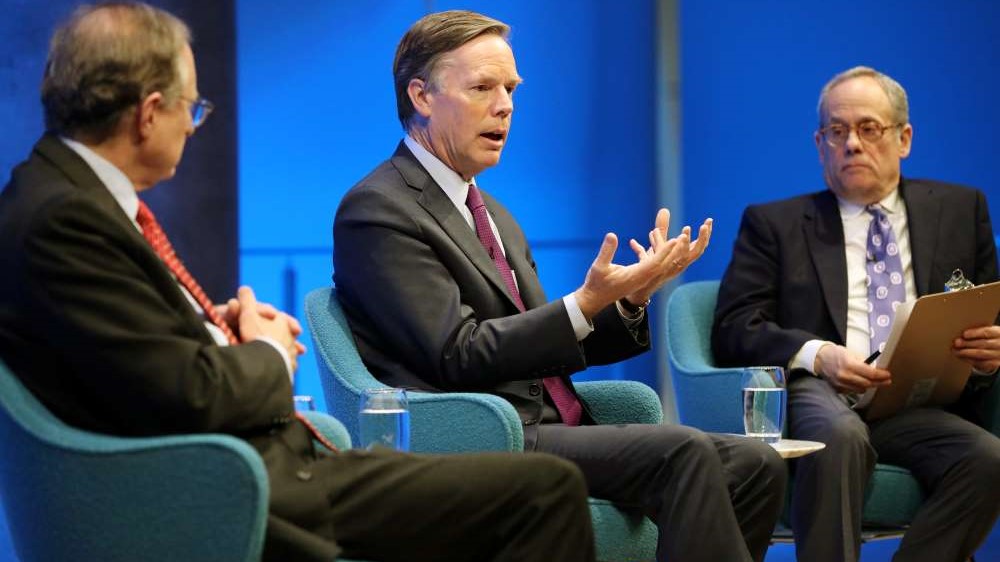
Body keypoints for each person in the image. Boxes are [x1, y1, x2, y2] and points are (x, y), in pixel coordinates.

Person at [0, 4, 598, 562]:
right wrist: (268, 351)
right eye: (192, 107)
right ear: (148, 112)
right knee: (544, 491)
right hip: (229, 486)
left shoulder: (70, 199)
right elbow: (186, 394)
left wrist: (218, 333)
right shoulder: (65, 219)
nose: (192, 125)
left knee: (546, 485)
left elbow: (133, 358)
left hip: (260, 465)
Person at [333, 10, 787, 562]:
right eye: (482, 87)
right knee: (684, 451)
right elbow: (458, 353)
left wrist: (627, 301)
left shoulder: (492, 212)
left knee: (756, 464)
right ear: (422, 96)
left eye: (510, 89)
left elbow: (546, 345)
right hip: (484, 432)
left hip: (551, 424)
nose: (505, 106)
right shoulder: (379, 209)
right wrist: (584, 302)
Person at [712, 65, 1000, 562]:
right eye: (836, 131)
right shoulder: (773, 224)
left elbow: (986, 319)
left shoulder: (961, 209)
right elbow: (734, 328)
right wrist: (818, 355)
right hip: (823, 395)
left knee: (988, 457)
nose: (852, 144)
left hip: (915, 404)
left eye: (869, 128)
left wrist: (987, 355)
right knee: (838, 437)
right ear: (819, 142)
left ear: (903, 138)